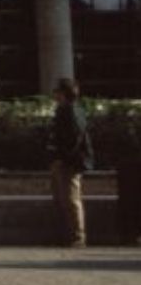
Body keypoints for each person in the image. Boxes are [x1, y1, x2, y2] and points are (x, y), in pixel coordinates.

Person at [49, 78, 94, 247]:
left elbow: (74, 138)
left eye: (57, 91)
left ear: (63, 93)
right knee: (63, 199)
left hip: (69, 162)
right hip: (61, 160)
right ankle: (68, 235)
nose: (53, 93)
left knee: (71, 199)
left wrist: (63, 158)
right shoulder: (65, 109)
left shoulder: (71, 111)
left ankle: (77, 237)